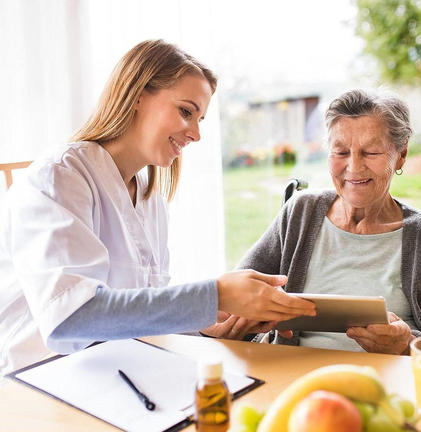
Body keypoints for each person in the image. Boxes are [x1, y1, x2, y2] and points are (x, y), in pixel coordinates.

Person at [0, 40, 315, 375]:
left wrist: (204, 324)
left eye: (200, 119)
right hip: (35, 383)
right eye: (186, 111)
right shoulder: (59, 177)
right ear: (137, 95)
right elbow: (71, 319)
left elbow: (135, 314)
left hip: (112, 375)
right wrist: (215, 295)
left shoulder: (151, 199)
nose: (195, 134)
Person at [238, 89, 421, 355]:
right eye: (340, 152)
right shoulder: (300, 212)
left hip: (389, 385)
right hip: (293, 378)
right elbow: (236, 293)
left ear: (401, 155)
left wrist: (407, 346)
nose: (354, 167)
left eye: (370, 152)